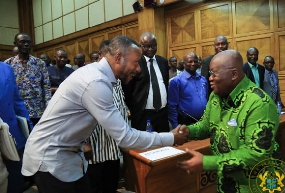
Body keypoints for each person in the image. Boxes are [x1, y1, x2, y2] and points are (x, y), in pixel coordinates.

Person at [21, 35, 188, 193]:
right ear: (118, 58)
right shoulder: (96, 82)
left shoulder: (99, 75)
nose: (138, 69)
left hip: (69, 155)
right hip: (50, 158)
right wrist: (171, 137)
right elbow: (125, 138)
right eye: (136, 63)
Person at [177, 50, 280, 193]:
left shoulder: (259, 104)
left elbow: (256, 154)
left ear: (234, 74)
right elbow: (206, 125)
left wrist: (206, 162)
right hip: (226, 183)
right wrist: (188, 131)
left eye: (214, 73)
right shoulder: (216, 96)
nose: (209, 78)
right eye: (209, 73)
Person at [86, 40, 126, 193]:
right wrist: (84, 143)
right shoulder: (90, 77)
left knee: (111, 185)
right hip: (96, 148)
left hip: (113, 147)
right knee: (96, 187)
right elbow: (79, 113)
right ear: (101, 55)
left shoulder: (117, 79)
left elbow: (120, 106)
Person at [123, 32, 170, 132]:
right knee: (145, 146)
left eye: (153, 46)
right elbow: (127, 89)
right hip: (143, 114)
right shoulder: (136, 63)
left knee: (164, 144)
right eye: (147, 46)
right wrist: (135, 109)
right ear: (141, 46)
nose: (150, 49)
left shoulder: (163, 62)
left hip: (162, 113)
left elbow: (165, 84)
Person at [4, 32, 51, 126]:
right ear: (15, 44)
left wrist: (49, 106)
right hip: (17, 110)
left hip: (37, 110)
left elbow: (46, 86)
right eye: (22, 42)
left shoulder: (39, 63)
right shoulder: (8, 64)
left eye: (28, 42)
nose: (26, 44)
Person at [0, 61, 33, 193]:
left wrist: (30, 129)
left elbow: (17, 101)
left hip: (12, 136)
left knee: (16, 178)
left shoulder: (6, 68)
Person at [168, 52, 208, 128]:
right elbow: (172, 105)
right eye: (190, 61)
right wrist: (175, 126)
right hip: (185, 122)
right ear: (184, 64)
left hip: (203, 121)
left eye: (195, 61)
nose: (193, 64)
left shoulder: (203, 80)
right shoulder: (176, 81)